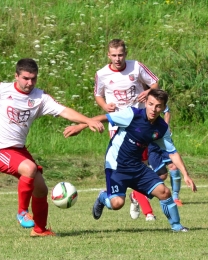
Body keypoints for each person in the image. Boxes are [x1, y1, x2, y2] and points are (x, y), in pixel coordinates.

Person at [0, 58, 104, 237]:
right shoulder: (1, 90)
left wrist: (88, 121)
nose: (29, 83)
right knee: (30, 168)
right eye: (25, 78)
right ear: (16, 76)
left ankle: (39, 229)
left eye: (33, 79)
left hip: (19, 150)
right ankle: (22, 212)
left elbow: (64, 111)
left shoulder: (40, 97)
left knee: (41, 189)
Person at [64, 89, 197, 232]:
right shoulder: (132, 114)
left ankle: (177, 226)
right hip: (117, 165)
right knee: (117, 204)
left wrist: (185, 174)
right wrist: (81, 125)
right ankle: (103, 197)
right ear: (145, 102)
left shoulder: (162, 128)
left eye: (158, 106)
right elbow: (105, 117)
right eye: (151, 104)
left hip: (137, 167)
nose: (153, 109)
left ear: (163, 108)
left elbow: (172, 152)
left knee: (164, 192)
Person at [94, 38, 158, 221]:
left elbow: (154, 84)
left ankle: (135, 198)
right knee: (128, 165)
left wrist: (148, 92)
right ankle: (146, 211)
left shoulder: (136, 67)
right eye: (113, 55)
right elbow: (98, 95)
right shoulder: (102, 74)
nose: (117, 59)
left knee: (142, 166)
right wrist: (105, 106)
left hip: (139, 124)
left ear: (125, 54)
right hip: (117, 126)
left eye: (120, 54)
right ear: (108, 55)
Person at [148, 106, 183, 206]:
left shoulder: (158, 99)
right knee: (162, 175)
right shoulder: (141, 101)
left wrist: (165, 126)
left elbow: (167, 112)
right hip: (151, 145)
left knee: (174, 166)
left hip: (163, 142)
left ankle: (175, 198)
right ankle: (140, 194)